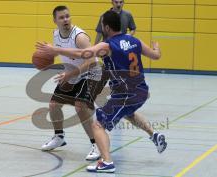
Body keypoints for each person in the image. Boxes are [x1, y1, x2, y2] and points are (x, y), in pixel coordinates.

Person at [36, 10, 167, 173]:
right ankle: (153, 134)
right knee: (128, 113)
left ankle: (107, 162)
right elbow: (155, 56)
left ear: (106, 27)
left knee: (98, 124)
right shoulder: (135, 40)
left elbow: (83, 54)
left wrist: (56, 50)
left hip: (126, 94)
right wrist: (157, 47)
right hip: (140, 90)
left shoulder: (108, 46)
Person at [40, 5, 103, 161]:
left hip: (92, 74)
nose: (66, 20)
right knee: (54, 105)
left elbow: (92, 62)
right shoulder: (56, 35)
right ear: (55, 20)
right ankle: (59, 136)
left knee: (80, 106)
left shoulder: (80, 37)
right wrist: (46, 57)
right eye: (62, 17)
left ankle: (96, 144)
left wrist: (69, 74)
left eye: (67, 16)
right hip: (72, 74)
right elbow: (65, 55)